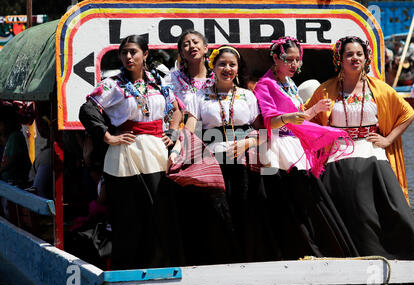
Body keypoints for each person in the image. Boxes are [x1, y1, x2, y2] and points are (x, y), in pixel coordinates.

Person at [304, 36, 414, 260]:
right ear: (340, 59)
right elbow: (305, 119)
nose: (355, 58)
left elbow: (408, 113)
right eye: (349, 54)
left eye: (359, 54)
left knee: (393, 207)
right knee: (346, 206)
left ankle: (403, 253)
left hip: (371, 150)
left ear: (366, 57)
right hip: (338, 154)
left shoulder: (379, 89)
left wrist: (388, 140)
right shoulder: (326, 89)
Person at [79, 34, 184, 270]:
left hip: (156, 152)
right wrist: (107, 136)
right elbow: (87, 110)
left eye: (133, 51)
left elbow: (176, 108)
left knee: (158, 212)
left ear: (145, 54)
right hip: (126, 153)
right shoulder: (112, 84)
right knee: (128, 216)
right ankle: (127, 272)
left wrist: (174, 132)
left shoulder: (160, 81)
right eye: (124, 52)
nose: (128, 56)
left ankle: (159, 268)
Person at [171, 45, 281, 263]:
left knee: (246, 211)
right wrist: (176, 150)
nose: (227, 68)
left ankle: (248, 261)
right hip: (213, 163)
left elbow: (263, 132)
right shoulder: (199, 96)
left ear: (238, 68)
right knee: (218, 212)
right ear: (213, 66)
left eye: (232, 64)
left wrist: (247, 143)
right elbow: (189, 129)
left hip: (245, 159)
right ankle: (221, 261)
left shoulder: (247, 96)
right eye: (222, 64)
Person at [253, 36, 358, 259]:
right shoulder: (265, 85)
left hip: (294, 143)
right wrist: (290, 116)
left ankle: (317, 247)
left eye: (297, 60)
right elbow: (268, 122)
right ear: (275, 57)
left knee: (306, 197)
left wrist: (314, 110)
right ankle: (296, 249)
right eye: (288, 59)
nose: (294, 65)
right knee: (289, 199)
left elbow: (297, 118)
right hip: (277, 147)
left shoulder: (289, 83)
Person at [164, 30, 214, 109]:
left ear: (205, 48)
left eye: (196, 42)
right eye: (186, 45)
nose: (192, 46)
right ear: (182, 54)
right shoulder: (171, 80)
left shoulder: (217, 78)